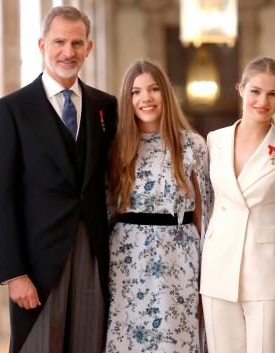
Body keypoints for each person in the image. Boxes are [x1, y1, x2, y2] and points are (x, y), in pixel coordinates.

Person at [0, 6, 117, 353]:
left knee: (89, 344)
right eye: (59, 42)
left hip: (93, 254)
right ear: (42, 45)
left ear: (89, 49)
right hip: (37, 264)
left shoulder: (106, 107)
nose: (68, 52)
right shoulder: (10, 110)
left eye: (77, 43)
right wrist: (13, 274)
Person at [199, 57, 275, 353]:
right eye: (256, 91)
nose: (263, 101)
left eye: (273, 94)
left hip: (268, 272)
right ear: (240, 89)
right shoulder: (214, 141)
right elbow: (206, 208)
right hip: (217, 270)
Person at [105, 59, 212, 353]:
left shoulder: (192, 145)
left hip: (179, 259)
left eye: (153, 89)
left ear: (166, 93)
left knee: (176, 342)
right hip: (127, 264)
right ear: (128, 100)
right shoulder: (115, 148)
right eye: (136, 92)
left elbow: (205, 215)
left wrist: (207, 276)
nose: (146, 98)